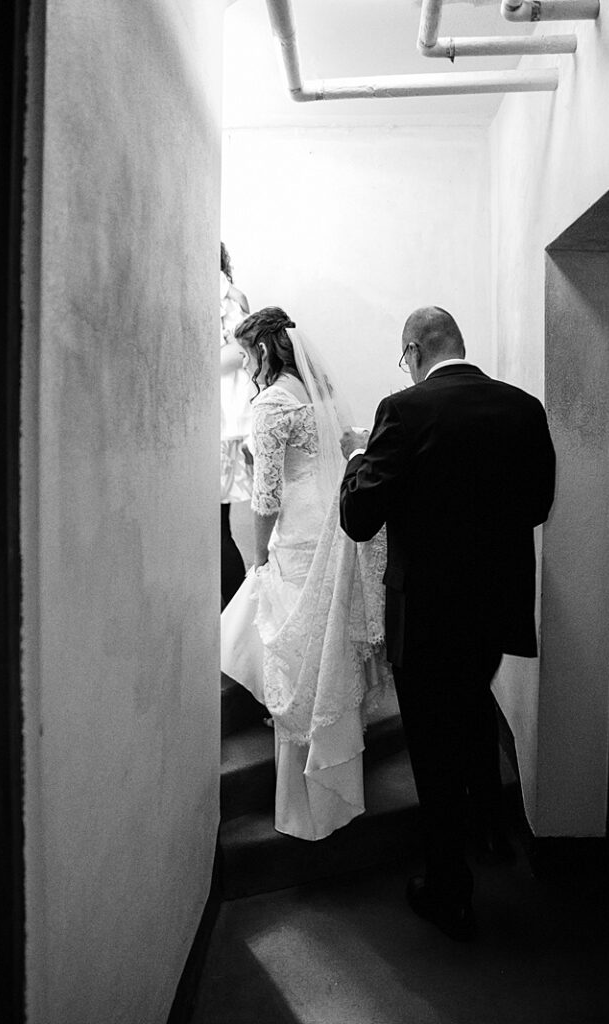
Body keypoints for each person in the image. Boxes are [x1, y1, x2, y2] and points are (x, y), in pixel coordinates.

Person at [339, 306, 556, 941]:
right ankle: (490, 831)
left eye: (402, 358)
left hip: (427, 611)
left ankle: (448, 888)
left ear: (413, 351)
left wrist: (359, 456)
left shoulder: (402, 412)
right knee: (470, 709)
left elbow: (358, 516)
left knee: (431, 748)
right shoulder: (523, 407)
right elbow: (536, 506)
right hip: (495, 605)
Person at [221, 306, 391, 841]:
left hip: (295, 540)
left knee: (295, 663)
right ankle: (335, 785)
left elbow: (267, 495)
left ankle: (305, 806)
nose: (247, 367)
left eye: (247, 355)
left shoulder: (271, 403)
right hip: (333, 531)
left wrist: (258, 554)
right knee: (327, 656)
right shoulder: (316, 394)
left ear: (264, 350)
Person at [219, 242, 253, 608]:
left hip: (220, 426)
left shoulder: (230, 298)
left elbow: (238, 354)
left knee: (216, 528)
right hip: (222, 426)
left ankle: (232, 614)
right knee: (215, 527)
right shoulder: (230, 295)